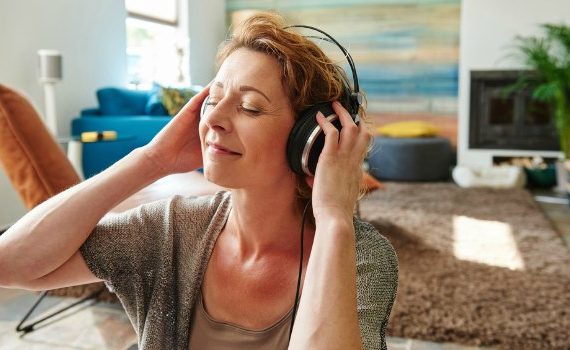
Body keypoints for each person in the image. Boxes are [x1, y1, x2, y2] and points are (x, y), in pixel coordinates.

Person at [0, 12, 397, 350]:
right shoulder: (171, 229)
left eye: (249, 107)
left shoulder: (361, 257)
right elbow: (10, 265)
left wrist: (333, 218)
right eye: (213, 98)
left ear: (308, 141)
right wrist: (150, 160)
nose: (214, 118)